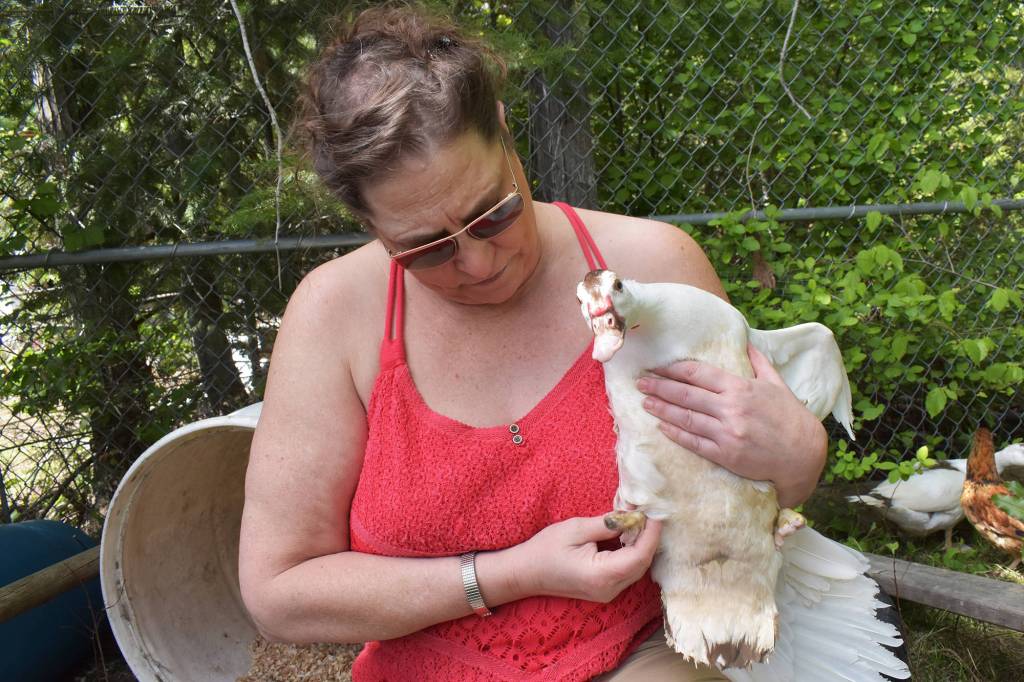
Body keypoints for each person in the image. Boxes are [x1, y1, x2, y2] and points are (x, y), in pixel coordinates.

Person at [238, 6, 827, 681]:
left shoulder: (653, 269)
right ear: (366, 222)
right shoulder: (333, 314)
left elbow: (744, 505)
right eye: (425, 250)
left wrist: (799, 458)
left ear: (507, 133)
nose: (478, 264)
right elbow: (279, 591)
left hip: (639, 653)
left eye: (494, 213)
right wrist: (504, 577)